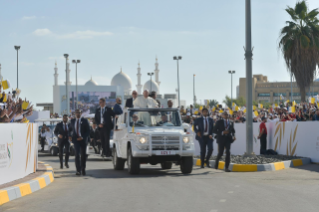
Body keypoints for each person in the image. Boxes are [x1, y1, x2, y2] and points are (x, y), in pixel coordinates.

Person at [70, 109, 90, 176]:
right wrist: (69, 136)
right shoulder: (72, 121)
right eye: (76, 112)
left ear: (81, 113)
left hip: (83, 140)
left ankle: (83, 169)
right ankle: (78, 170)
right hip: (76, 140)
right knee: (77, 155)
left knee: (83, 155)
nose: (77, 114)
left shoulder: (85, 121)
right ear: (75, 113)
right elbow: (70, 129)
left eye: (79, 112)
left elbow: (88, 131)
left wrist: (83, 137)